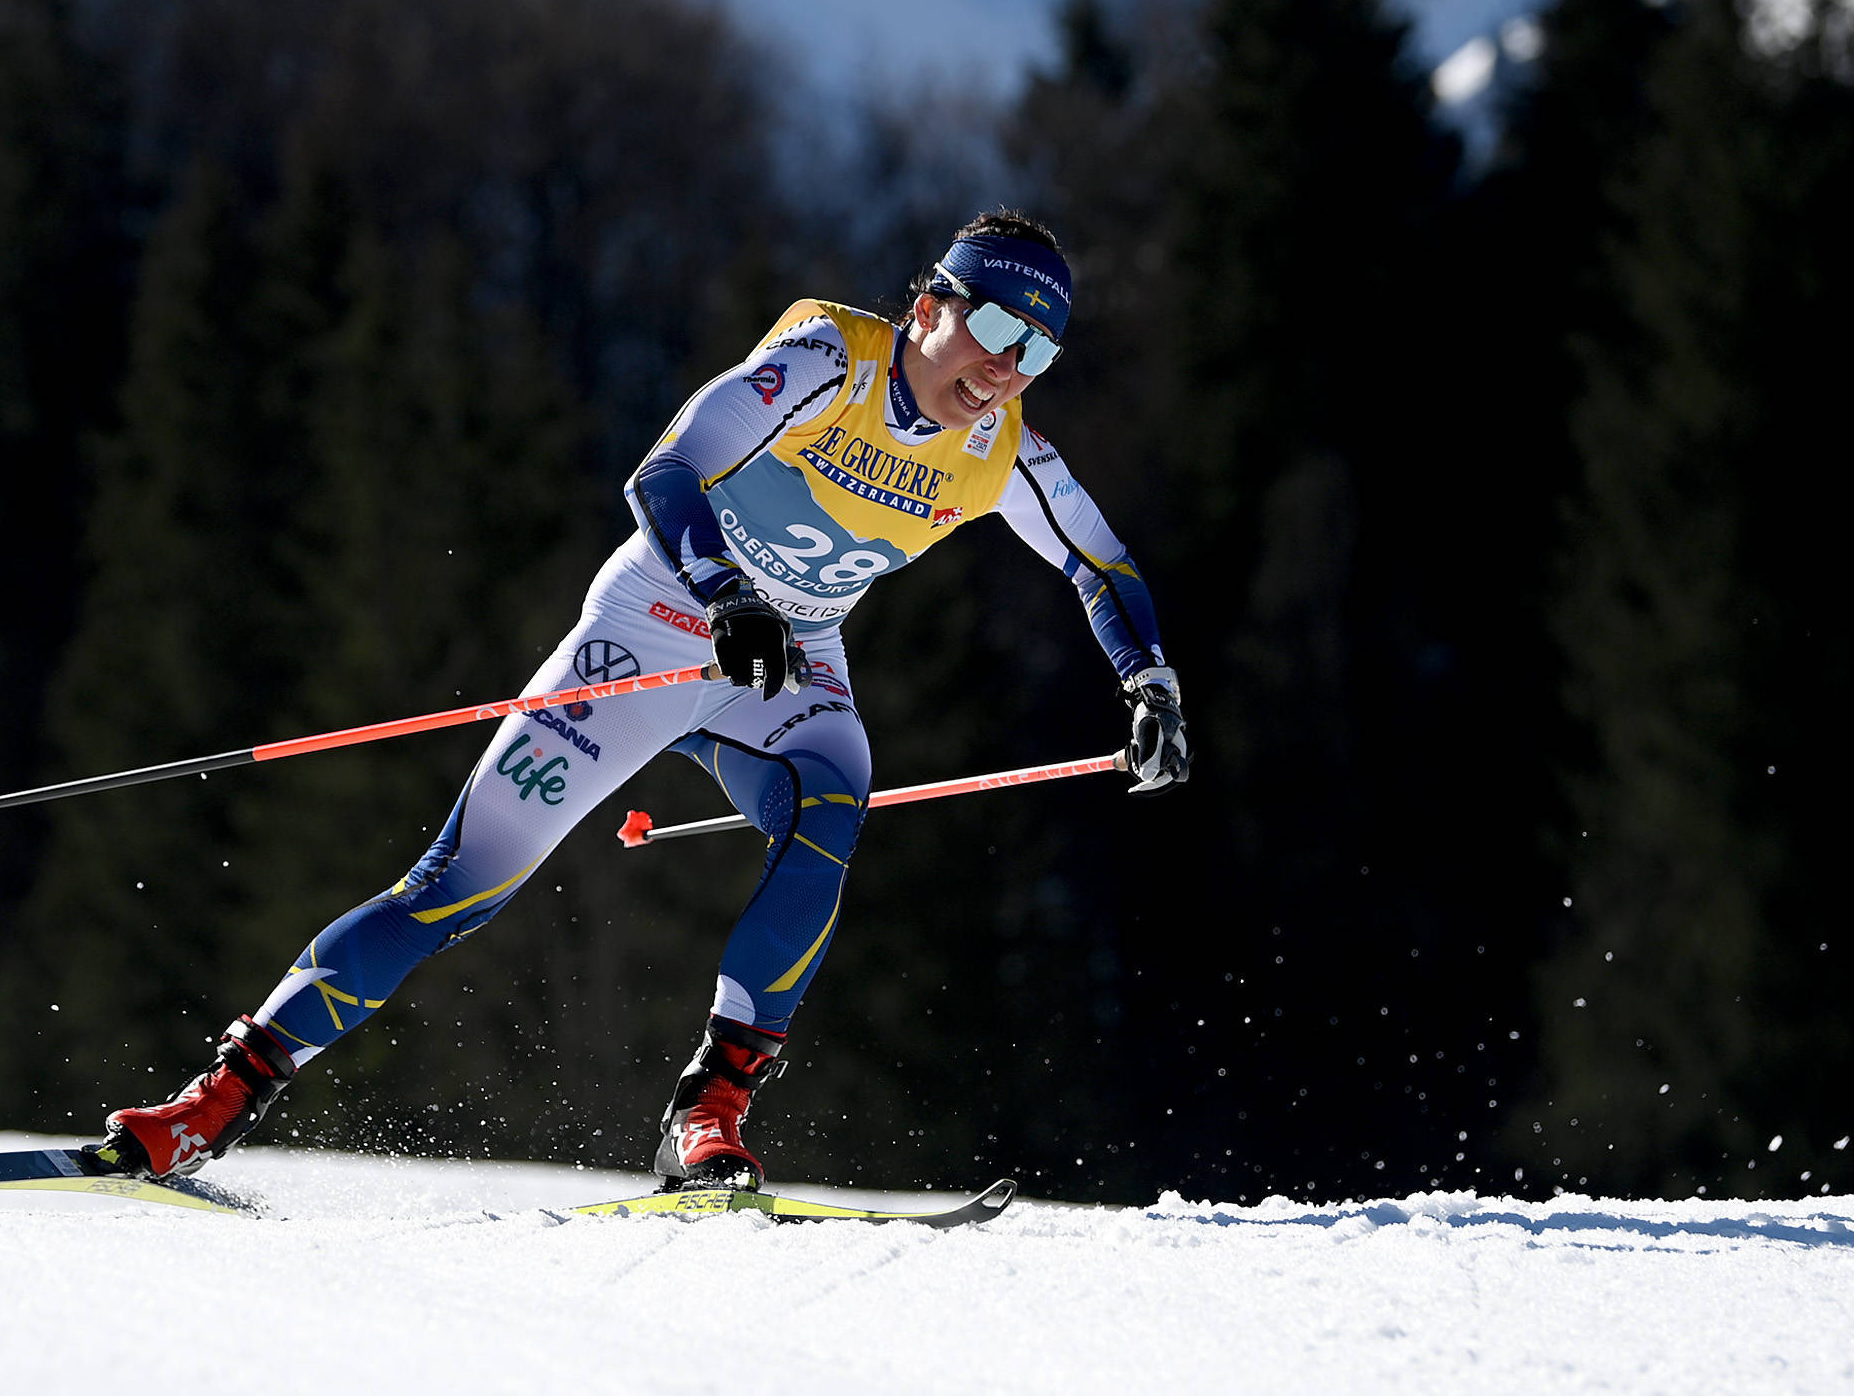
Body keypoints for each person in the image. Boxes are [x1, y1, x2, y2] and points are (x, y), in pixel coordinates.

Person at [84, 210, 1189, 1189]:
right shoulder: (826, 359)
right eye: (997, 331)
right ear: (930, 307)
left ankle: (708, 1113)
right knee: (458, 883)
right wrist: (722, 596)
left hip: (790, 658)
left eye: (1039, 350)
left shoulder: (1003, 452)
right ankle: (215, 1099)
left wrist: (1150, 683)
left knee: (833, 804)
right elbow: (665, 469)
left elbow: (1102, 563)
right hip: (653, 626)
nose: (1007, 370)